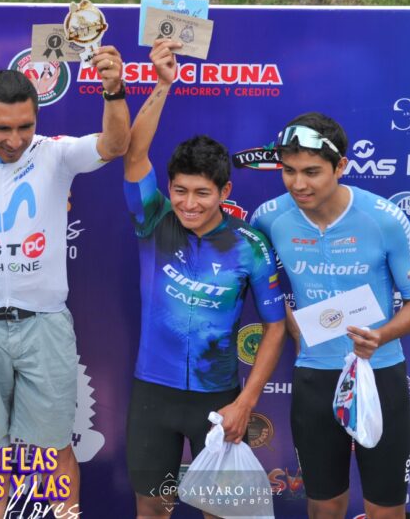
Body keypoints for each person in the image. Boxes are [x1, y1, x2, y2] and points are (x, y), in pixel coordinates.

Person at [0, 45, 130, 518]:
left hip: (44, 324)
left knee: (56, 449)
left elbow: (114, 144)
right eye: (2, 128)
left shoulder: (55, 153)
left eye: (26, 126)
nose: (16, 139)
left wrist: (114, 90)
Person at [123, 39, 287, 517]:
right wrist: (162, 84)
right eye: (180, 190)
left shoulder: (250, 245)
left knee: (220, 513)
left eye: (202, 193)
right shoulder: (154, 220)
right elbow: (134, 154)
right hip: (153, 393)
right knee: (152, 508)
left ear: (224, 191)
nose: (189, 204)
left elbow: (276, 327)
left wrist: (245, 402)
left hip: (218, 399)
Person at [250, 112, 410, 519]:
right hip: (315, 374)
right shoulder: (269, 218)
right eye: (289, 171)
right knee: (324, 505)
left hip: (378, 371)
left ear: (341, 166)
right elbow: (256, 284)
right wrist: (288, 321)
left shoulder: (383, 217)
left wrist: (380, 336)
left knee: (386, 509)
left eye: (312, 172)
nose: (299, 184)